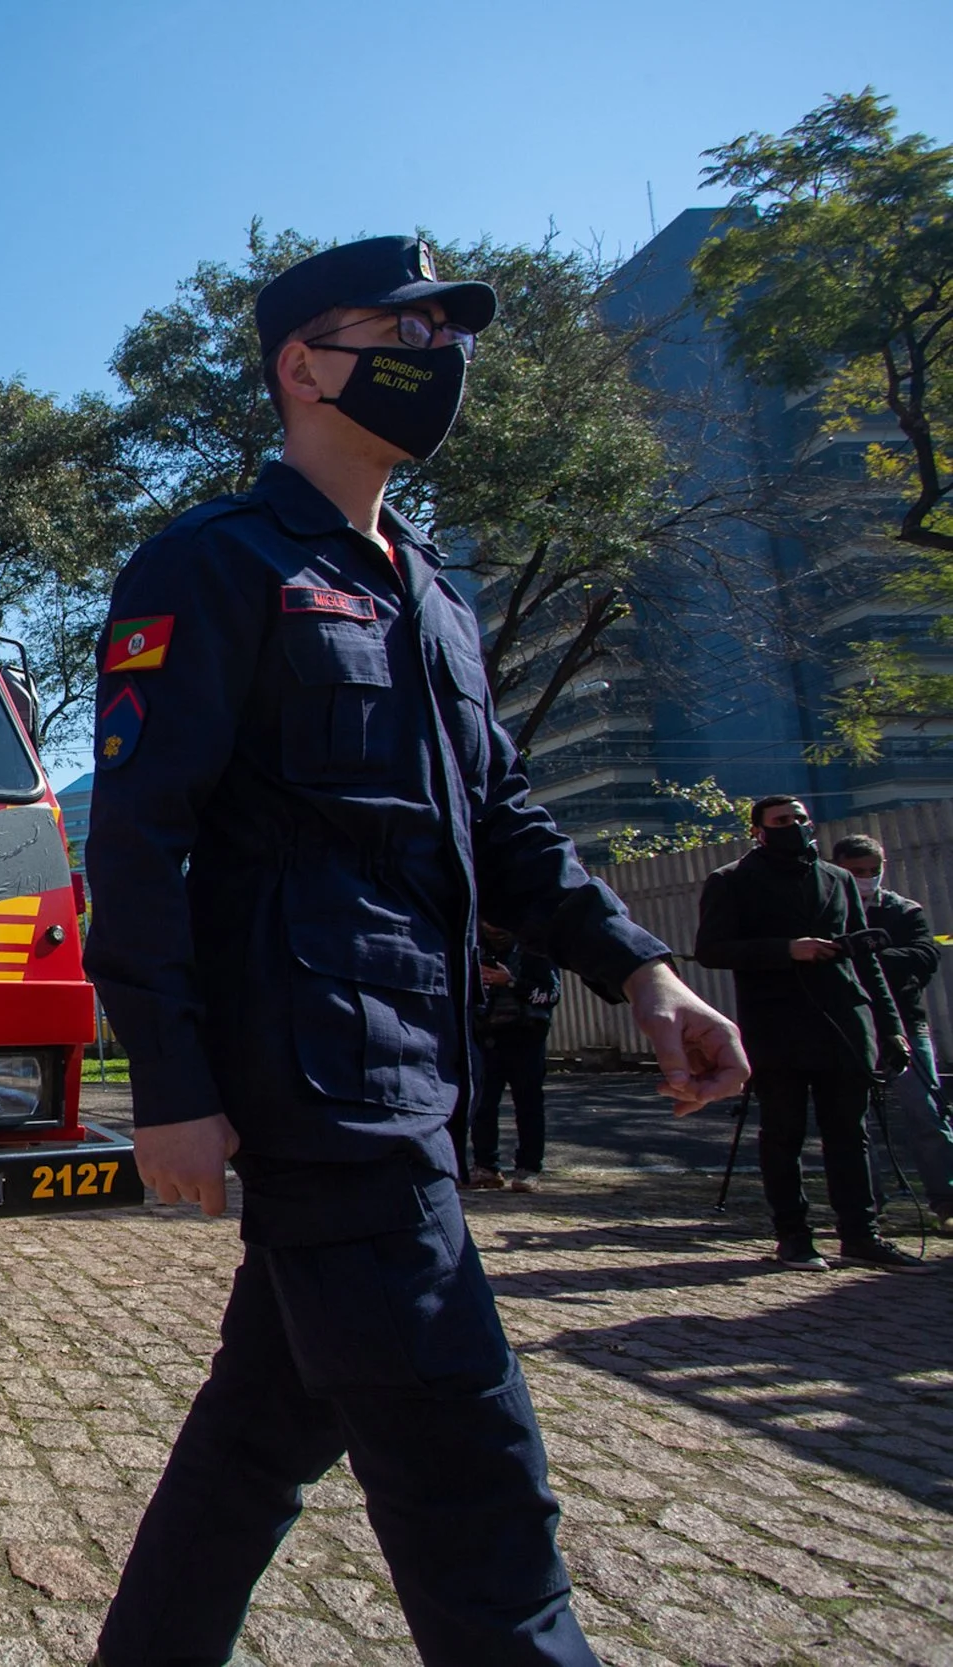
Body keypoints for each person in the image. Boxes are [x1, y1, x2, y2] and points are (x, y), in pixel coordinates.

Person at [82, 235, 748, 1667]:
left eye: (450, 335)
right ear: (302, 365)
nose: (440, 358)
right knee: (475, 1479)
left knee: (261, 1433)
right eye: (403, 331)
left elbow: (502, 819)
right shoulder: (213, 561)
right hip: (330, 1087)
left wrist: (639, 967)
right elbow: (138, 841)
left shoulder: (432, 591)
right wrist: (169, 1083)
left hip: (422, 1073)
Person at [693, 799, 919, 1271]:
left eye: (799, 819)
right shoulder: (731, 880)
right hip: (777, 1024)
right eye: (781, 821)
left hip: (844, 1019)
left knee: (850, 1133)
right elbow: (711, 950)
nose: (794, 826)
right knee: (784, 1133)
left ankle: (861, 1234)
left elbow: (865, 957)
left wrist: (891, 1028)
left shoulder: (837, 879)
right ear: (758, 830)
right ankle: (793, 1236)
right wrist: (786, 950)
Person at [831, 833, 953, 1224]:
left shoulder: (902, 910)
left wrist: (869, 956)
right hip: (850, 1025)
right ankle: (867, 1207)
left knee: (927, 1113)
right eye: (857, 871)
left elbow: (924, 955)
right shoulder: (828, 911)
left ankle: (947, 1200)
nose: (867, 878)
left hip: (904, 1021)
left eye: (874, 870)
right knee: (855, 1121)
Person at [469, 922, 559, 1192]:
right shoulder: (475, 948)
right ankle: (485, 1167)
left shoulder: (534, 949)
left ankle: (529, 1169)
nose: (491, 927)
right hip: (487, 1038)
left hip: (526, 1038)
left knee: (529, 1106)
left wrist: (510, 982)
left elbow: (550, 995)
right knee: (482, 1106)